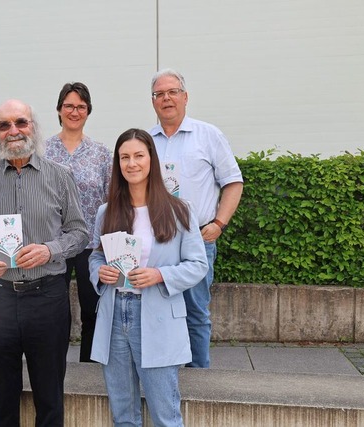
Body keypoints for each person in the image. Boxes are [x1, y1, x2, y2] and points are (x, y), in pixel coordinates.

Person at [0, 99, 89, 426]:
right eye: (4, 125)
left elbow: (80, 232)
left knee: (49, 400)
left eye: (20, 122)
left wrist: (50, 250)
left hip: (47, 297)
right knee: (2, 401)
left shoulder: (60, 177)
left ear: (33, 126)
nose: (13, 131)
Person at [89, 128, 208, 427]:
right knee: (123, 416)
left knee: (166, 415)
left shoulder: (180, 210)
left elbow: (197, 265)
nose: (132, 163)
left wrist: (159, 275)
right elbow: (96, 256)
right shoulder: (107, 211)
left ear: (151, 160)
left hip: (157, 316)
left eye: (139, 155)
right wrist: (99, 272)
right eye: (124, 157)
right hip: (115, 314)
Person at [149, 68, 244, 368]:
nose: (166, 98)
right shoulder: (145, 141)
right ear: (153, 102)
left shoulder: (208, 135)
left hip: (197, 240)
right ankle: (165, 372)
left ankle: (200, 379)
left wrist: (219, 224)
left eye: (172, 92)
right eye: (159, 94)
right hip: (156, 241)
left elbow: (233, 182)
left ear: (185, 97)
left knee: (195, 312)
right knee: (158, 311)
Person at [45, 82, 112, 363]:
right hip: (51, 244)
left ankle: (90, 367)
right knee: (53, 311)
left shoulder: (100, 153)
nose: (74, 111)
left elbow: (110, 199)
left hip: (89, 244)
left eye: (81, 106)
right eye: (69, 106)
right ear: (59, 110)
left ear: (88, 111)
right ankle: (51, 365)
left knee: (92, 309)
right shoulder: (41, 150)